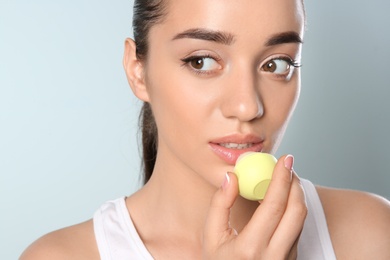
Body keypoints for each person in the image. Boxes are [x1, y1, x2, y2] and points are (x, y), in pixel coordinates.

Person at [20, 0, 390, 259]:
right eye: (202, 61)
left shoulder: (372, 235)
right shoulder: (60, 257)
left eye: (277, 64)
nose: (247, 106)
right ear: (138, 71)